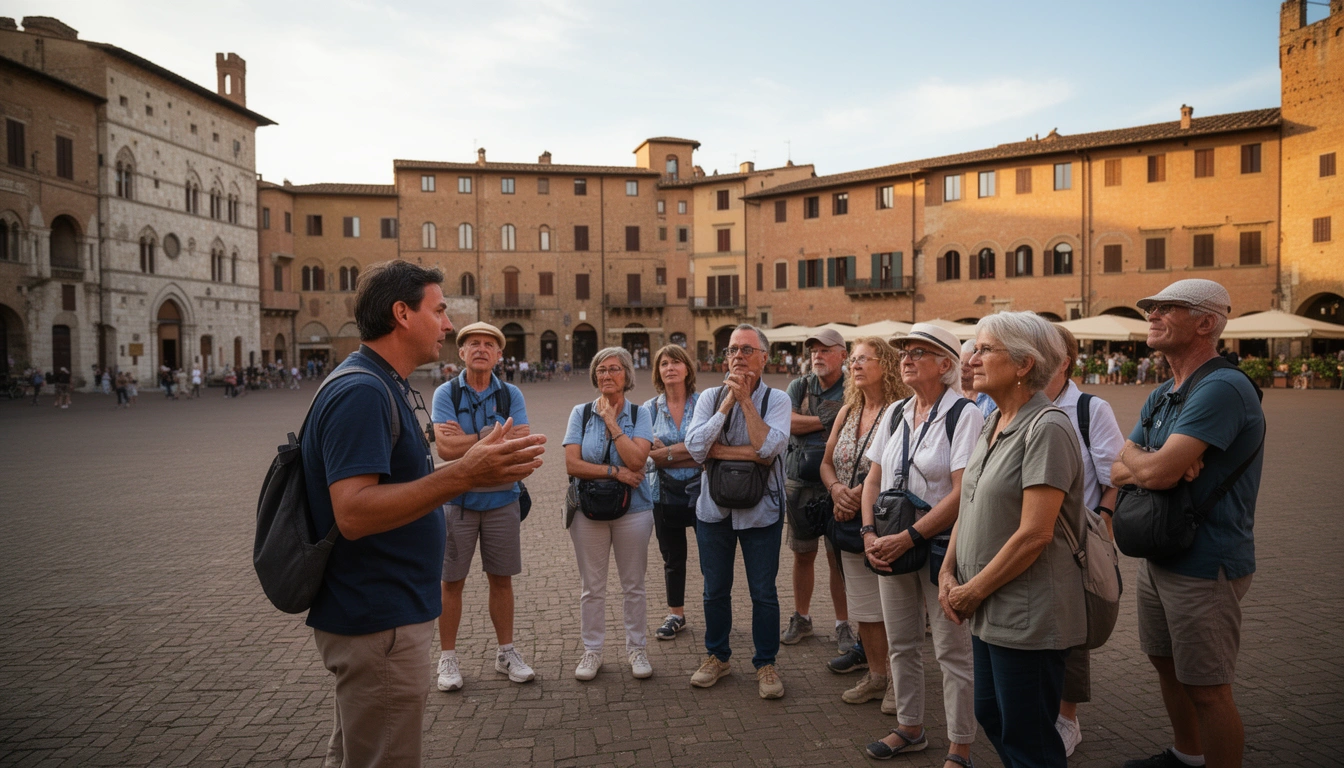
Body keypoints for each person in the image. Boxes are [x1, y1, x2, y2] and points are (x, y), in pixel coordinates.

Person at [302, 259, 545, 767]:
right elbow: (353, 512)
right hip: (377, 621)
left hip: (382, 615)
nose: (449, 325)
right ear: (402, 314)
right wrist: (464, 474)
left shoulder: (382, 384)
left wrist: (463, 456)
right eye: (439, 311)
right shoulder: (362, 392)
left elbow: (448, 449)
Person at [1112, 279, 1264, 768]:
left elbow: (1154, 473)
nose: (1152, 315)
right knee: (1166, 663)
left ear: (1206, 323)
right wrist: (1154, 461)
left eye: (1167, 308)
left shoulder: (1223, 387)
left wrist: (1153, 463)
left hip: (1206, 560)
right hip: (1162, 552)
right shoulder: (1164, 392)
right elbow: (1116, 468)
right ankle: (1187, 756)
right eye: (1150, 308)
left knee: (1208, 688)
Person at [939, 311, 1086, 768]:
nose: (971, 359)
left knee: (1028, 737)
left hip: (1027, 614)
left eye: (984, 350)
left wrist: (972, 591)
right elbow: (968, 503)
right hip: (988, 607)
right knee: (992, 713)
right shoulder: (994, 421)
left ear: (1024, 364)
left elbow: (1035, 534)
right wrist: (947, 570)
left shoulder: (1047, 427)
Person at [860, 324, 981, 766]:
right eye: (903, 352)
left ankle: (960, 746)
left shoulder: (964, 414)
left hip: (939, 548)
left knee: (952, 650)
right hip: (889, 540)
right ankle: (910, 727)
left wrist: (909, 537)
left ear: (946, 364)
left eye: (917, 352)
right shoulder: (895, 412)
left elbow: (962, 492)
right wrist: (868, 533)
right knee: (901, 642)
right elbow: (872, 479)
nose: (906, 359)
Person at [684, 324, 792, 699]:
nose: (738, 357)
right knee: (715, 590)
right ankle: (717, 657)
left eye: (747, 350)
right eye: (732, 350)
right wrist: (727, 404)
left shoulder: (777, 400)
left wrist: (745, 402)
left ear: (764, 358)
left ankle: (766, 663)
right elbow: (696, 448)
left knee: (763, 592)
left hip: (762, 511)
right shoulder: (710, 397)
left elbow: (768, 449)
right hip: (713, 511)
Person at [430, 322, 535, 692]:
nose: (481, 349)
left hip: (503, 500)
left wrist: (468, 441)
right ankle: (448, 657)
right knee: (451, 582)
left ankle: (506, 652)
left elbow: (519, 445)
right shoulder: (446, 392)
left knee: (502, 580)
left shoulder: (510, 394)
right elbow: (446, 449)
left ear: (499, 355)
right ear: (461, 352)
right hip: (456, 501)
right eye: (473, 343)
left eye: (489, 345)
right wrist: (492, 434)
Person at [816, 337, 908, 709]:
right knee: (866, 608)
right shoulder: (847, 411)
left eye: (863, 358)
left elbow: (903, 468)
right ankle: (876, 676)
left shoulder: (900, 411)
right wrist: (837, 490)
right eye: (852, 359)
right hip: (847, 521)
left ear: (885, 365)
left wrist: (857, 496)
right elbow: (826, 463)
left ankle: (900, 685)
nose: (854, 365)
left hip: (885, 523)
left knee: (894, 607)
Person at [1047, 325, 1126, 756]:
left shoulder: (1089, 409)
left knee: (1072, 633)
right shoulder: (1018, 403)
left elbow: (1116, 475)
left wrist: (1105, 520)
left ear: (1063, 362)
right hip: (1027, 534)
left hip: (1075, 540)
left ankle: (1067, 719)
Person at [562, 347, 655, 681]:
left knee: (634, 585)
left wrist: (612, 423)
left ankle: (637, 648)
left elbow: (638, 461)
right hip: (588, 510)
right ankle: (592, 651)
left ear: (626, 375)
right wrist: (616, 473)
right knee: (592, 586)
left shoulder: (640, 414)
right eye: (601, 369)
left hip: (635, 510)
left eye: (614, 369)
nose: (606, 375)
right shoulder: (580, 413)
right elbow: (572, 464)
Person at [781, 328, 853, 652]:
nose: (817, 356)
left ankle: (843, 624)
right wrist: (832, 419)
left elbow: (856, 424)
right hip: (800, 481)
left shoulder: (852, 387)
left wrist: (808, 421)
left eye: (825, 350)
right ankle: (802, 617)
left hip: (839, 483)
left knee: (837, 557)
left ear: (843, 355)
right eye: (813, 351)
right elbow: (787, 424)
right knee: (802, 554)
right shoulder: (799, 385)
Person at [642, 344, 702, 641]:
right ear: (658, 371)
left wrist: (664, 452)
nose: (670, 368)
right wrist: (689, 452)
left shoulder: (704, 404)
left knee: (712, 557)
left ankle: (717, 611)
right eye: (664, 363)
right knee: (672, 558)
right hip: (662, 493)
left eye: (676, 362)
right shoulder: (648, 409)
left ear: (687, 368)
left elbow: (709, 449)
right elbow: (645, 455)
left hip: (703, 492)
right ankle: (675, 614)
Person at [960, 340, 995, 419]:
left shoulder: (991, 397)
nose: (962, 369)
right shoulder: (950, 394)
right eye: (961, 363)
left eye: (968, 365)